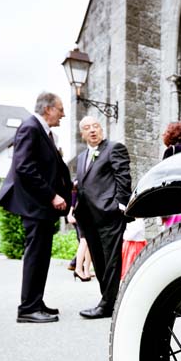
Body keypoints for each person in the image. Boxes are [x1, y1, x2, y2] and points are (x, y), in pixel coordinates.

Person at [0, 92, 72, 323]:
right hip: (35, 205)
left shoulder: (43, 132)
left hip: (41, 207)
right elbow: (25, 167)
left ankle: (36, 303)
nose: (63, 114)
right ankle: (28, 309)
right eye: (60, 109)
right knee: (35, 257)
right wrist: (52, 196)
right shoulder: (30, 128)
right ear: (48, 109)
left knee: (41, 258)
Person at [73, 115, 131, 319]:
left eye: (96, 126)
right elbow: (83, 184)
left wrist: (120, 205)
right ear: (82, 133)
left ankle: (107, 305)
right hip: (88, 217)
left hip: (110, 214)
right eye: (87, 127)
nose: (92, 130)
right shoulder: (81, 158)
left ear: (102, 129)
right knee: (98, 261)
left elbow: (123, 176)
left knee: (111, 261)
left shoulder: (114, 148)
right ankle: (110, 301)